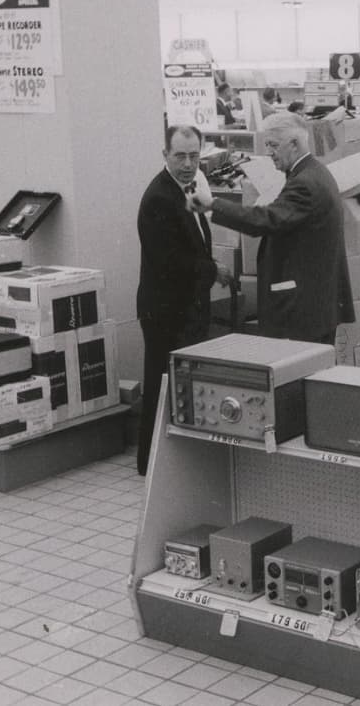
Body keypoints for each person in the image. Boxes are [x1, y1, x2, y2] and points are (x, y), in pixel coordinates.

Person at [188, 112, 354, 344]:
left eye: (274, 145)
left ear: (294, 144)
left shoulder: (304, 183)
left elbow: (266, 219)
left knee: (295, 373)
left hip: (301, 311)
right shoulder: (315, 172)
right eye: (267, 145)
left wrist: (213, 204)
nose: (268, 152)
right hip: (315, 305)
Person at [136, 124, 229, 475]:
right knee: (163, 386)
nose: (189, 163)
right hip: (166, 310)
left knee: (176, 386)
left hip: (182, 306)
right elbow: (171, 260)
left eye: (194, 156)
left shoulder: (185, 188)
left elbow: (197, 237)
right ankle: (150, 464)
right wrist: (212, 270)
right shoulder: (160, 196)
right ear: (165, 155)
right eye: (180, 156)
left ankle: (169, 461)